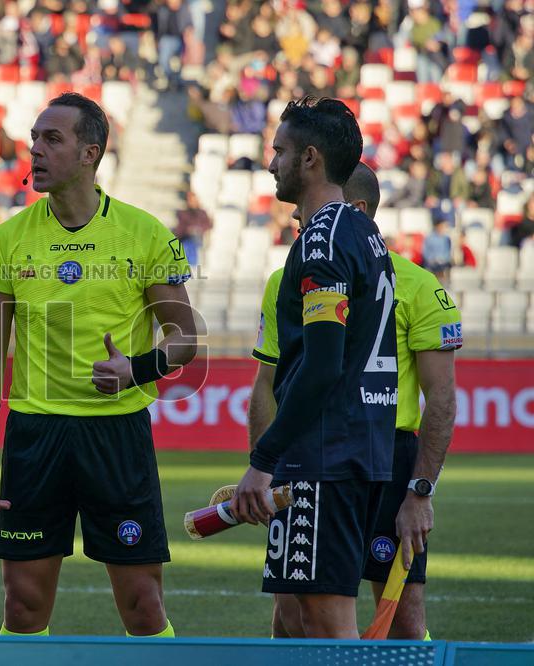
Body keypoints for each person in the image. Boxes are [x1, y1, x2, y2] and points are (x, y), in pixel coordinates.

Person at [0, 92, 197, 638]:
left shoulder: (143, 234)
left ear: (90, 152)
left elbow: (185, 338)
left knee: (143, 604)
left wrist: (136, 370)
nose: (36, 151)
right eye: (34, 139)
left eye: (53, 139)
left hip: (116, 434)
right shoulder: (10, 238)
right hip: (35, 432)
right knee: (22, 605)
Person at [250, 162, 461, 640]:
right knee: (291, 616)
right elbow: (266, 382)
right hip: (308, 452)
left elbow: (441, 402)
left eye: (310, 222)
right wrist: (266, 466)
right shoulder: (286, 279)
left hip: (389, 456)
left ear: (356, 210)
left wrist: (419, 491)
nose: (304, 233)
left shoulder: (421, 287)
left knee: (403, 619)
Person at [230, 97, 397, 639]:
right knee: (299, 621)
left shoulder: (322, 241)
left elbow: (323, 366)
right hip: (354, 448)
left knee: (326, 626)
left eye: (279, 150)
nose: (271, 162)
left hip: (327, 456)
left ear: (310, 158)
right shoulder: (362, 232)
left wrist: (264, 458)